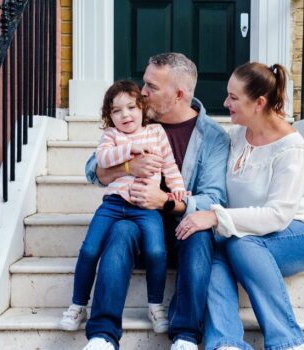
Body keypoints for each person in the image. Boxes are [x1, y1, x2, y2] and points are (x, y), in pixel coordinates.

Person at [175, 62, 304, 350]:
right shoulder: (235, 136)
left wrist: (214, 216)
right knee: (217, 255)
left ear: (259, 103)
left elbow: (278, 216)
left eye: (233, 98)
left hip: (299, 233)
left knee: (239, 245)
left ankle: (288, 342)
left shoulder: (291, 148)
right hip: (244, 234)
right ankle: (226, 343)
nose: (225, 103)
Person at [81, 53, 230, 350]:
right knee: (121, 231)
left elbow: (213, 199)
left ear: (178, 94)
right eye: (144, 82)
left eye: (151, 86)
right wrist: (126, 168)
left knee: (199, 234)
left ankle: (186, 336)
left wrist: (163, 201)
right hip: (136, 222)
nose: (142, 91)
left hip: (179, 227)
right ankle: (102, 335)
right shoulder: (136, 119)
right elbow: (92, 170)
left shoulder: (213, 138)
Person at [59, 80, 189, 334]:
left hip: (146, 207)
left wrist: (177, 189)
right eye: (116, 111)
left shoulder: (156, 133)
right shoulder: (111, 136)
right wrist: (131, 149)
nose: (125, 115)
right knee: (89, 250)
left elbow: (169, 165)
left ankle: (155, 306)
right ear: (109, 116)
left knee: (155, 251)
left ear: (142, 108)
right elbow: (102, 159)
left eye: (131, 107)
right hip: (114, 204)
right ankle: (78, 305)